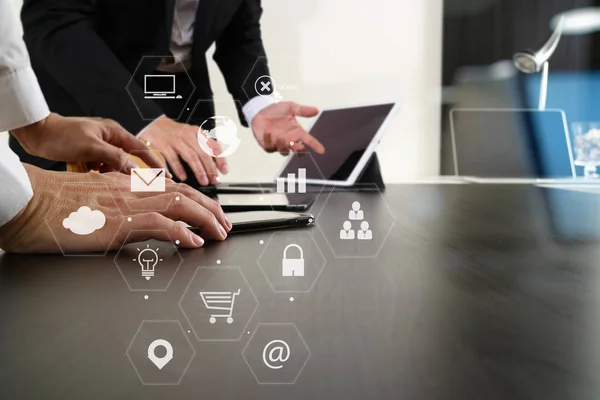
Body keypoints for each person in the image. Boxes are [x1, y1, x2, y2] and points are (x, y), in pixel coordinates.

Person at [0, 0, 230, 253]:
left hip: (78, 123)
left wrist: (36, 125)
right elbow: (53, 16)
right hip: (77, 98)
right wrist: (28, 202)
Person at [14, 0, 326, 187]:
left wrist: (260, 104)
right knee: (76, 266)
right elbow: (55, 25)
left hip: (185, 122)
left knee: (189, 243)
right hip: (76, 118)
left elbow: (241, 34)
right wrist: (143, 119)